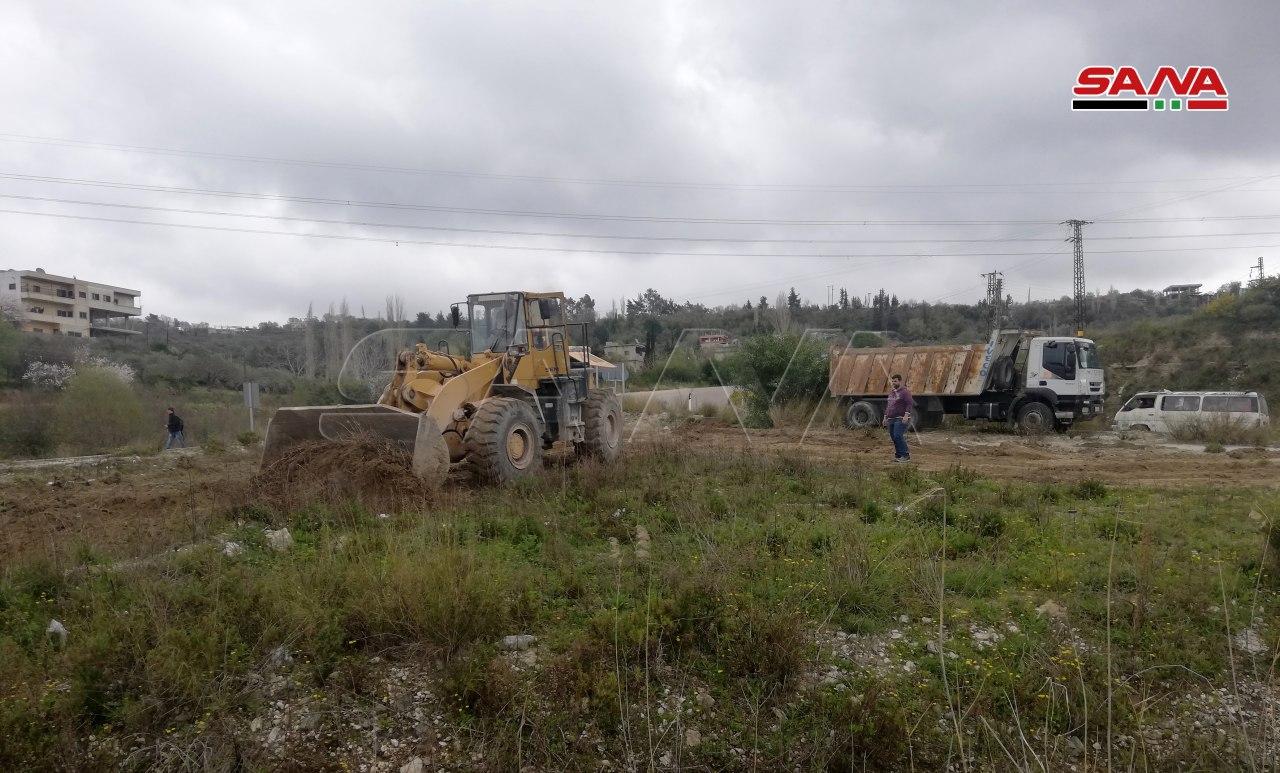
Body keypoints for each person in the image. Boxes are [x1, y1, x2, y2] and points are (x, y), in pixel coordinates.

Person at [883, 374, 912, 462]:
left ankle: (905, 455)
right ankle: (899, 455)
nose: (893, 383)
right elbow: (889, 405)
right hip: (891, 418)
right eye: (892, 381)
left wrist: (906, 416)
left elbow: (909, 404)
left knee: (898, 435)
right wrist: (885, 417)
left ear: (900, 381)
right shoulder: (892, 392)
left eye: (895, 381)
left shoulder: (905, 392)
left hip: (900, 417)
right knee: (893, 437)